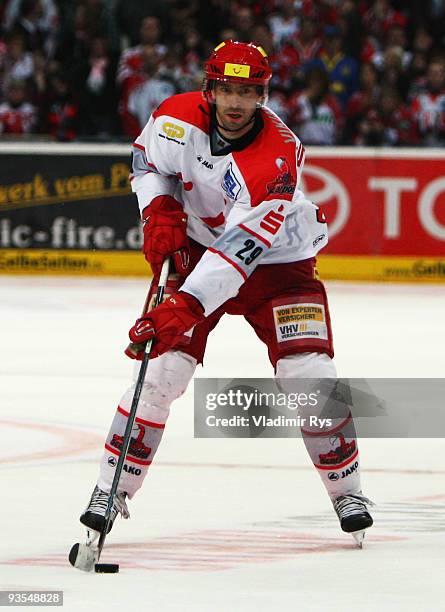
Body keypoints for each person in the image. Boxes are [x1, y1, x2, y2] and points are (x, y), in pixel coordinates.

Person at [79, 40, 373, 549]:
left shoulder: (276, 158)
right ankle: (110, 490)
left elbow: (238, 254)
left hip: (279, 263)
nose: (236, 103)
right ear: (209, 88)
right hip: (196, 250)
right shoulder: (172, 118)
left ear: (263, 95)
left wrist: (183, 308)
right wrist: (159, 211)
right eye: (227, 90)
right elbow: (148, 164)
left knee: (310, 376)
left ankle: (349, 492)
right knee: (161, 373)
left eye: (249, 92)